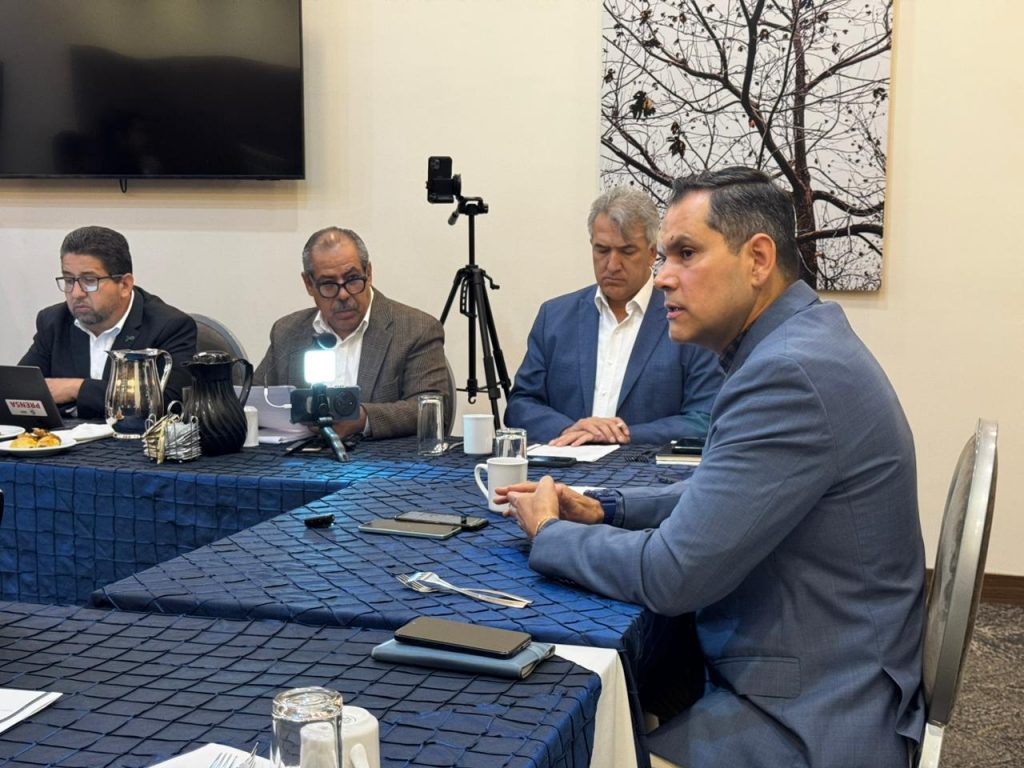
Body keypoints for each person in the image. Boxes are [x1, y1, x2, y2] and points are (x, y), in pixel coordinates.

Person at [499, 168, 926, 767]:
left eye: (685, 253)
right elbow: (720, 493)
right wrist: (606, 508)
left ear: (758, 259)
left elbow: (671, 575)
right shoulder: (799, 344)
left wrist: (549, 532)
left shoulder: (787, 374)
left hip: (810, 715)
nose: (662, 276)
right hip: (822, 669)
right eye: (663, 257)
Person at [505, 186, 722, 446]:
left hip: (645, 468)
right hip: (562, 462)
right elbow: (520, 405)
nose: (612, 265)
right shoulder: (554, 318)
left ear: (652, 253)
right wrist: (568, 429)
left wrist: (620, 435)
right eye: (602, 250)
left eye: (627, 251)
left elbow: (704, 419)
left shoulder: (690, 320)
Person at [254, 226, 448, 440]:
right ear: (309, 284)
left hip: (381, 458)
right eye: (329, 285)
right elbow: (253, 402)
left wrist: (363, 418)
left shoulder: (416, 329)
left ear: (369, 273)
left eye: (352, 279)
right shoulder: (287, 332)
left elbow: (433, 410)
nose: (343, 295)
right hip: (302, 457)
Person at [20, 225, 196, 419]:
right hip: (64, 437)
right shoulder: (53, 322)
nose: (76, 293)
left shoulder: (169, 327)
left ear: (125, 285)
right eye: (69, 280)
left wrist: (76, 389)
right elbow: (18, 391)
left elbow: (169, 404)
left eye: (89, 280)